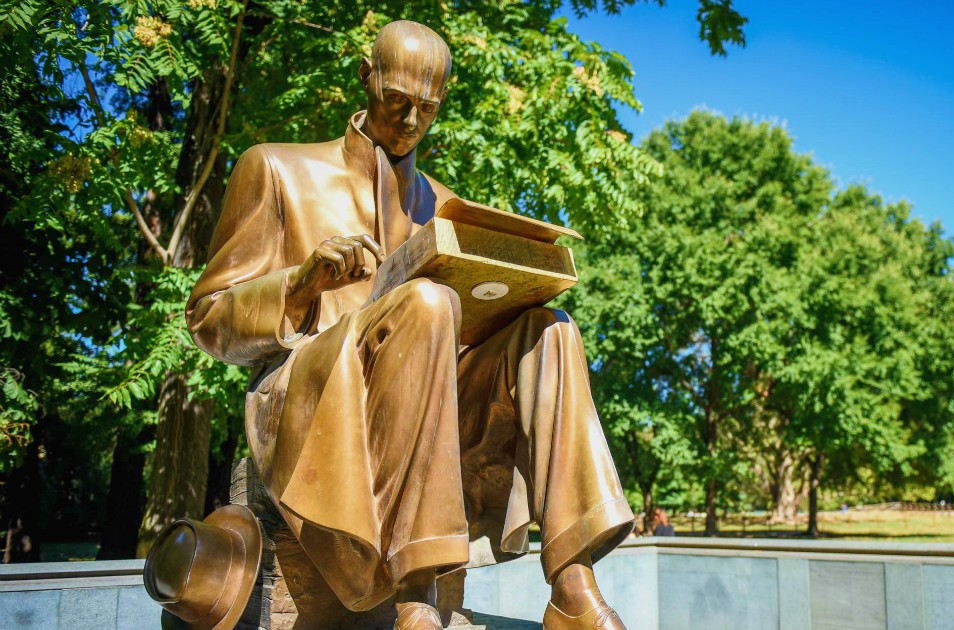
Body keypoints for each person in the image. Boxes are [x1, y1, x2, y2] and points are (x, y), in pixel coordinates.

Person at [186, 20, 634, 630]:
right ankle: (417, 600)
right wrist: (300, 285)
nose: (411, 120)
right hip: (315, 396)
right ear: (365, 77)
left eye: (428, 107)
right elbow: (209, 321)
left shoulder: (444, 209)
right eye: (396, 99)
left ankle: (571, 581)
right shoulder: (276, 169)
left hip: (428, 407)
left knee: (549, 330)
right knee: (426, 303)